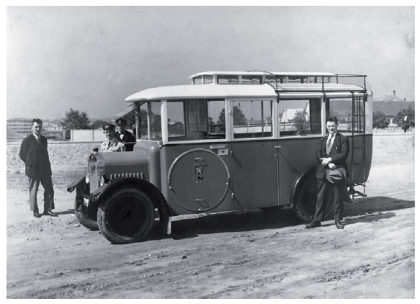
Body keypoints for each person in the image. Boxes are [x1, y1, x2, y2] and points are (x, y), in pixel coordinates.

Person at [306, 116, 349, 229]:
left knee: (337, 197)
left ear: (337, 126)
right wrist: (327, 163)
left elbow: (343, 155)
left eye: (333, 126)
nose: (331, 128)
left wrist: (330, 160)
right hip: (323, 172)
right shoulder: (322, 140)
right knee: (320, 197)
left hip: (336, 172)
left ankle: (338, 220)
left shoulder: (343, 139)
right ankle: (317, 220)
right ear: (326, 126)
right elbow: (318, 156)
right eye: (329, 126)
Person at [19, 118, 56, 218]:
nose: (38, 129)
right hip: (33, 170)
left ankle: (47, 209)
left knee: (49, 189)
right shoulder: (27, 140)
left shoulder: (44, 139)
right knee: (33, 191)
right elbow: (22, 154)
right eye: (36, 127)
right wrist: (30, 163)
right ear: (32, 127)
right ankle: (35, 211)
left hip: (45, 170)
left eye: (40, 127)